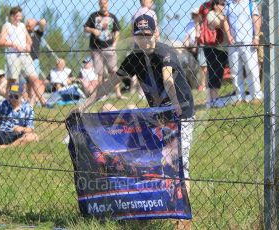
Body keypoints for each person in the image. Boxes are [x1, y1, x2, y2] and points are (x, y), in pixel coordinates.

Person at [77, 15, 194, 229]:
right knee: (156, 162)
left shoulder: (165, 52)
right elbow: (108, 84)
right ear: (134, 36)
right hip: (158, 116)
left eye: (148, 35)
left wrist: (175, 102)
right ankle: (153, 208)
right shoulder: (133, 58)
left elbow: (168, 79)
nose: (145, 40)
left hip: (181, 113)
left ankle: (182, 219)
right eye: (140, 36)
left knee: (179, 163)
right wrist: (84, 105)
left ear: (155, 33)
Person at [0, 6, 46, 106]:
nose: (19, 17)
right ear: (12, 16)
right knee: (13, 81)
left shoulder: (22, 26)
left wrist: (28, 45)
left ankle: (43, 102)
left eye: (20, 15)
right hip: (12, 55)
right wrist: (13, 44)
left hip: (24, 55)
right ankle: (12, 103)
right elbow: (1, 41)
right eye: (17, 15)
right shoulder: (7, 26)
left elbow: (29, 40)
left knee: (34, 78)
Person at [222, 0, 264, 104]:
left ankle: (256, 95)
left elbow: (256, 19)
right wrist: (229, 36)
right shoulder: (228, 4)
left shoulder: (250, 3)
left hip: (248, 41)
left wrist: (256, 36)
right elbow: (225, 20)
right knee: (235, 71)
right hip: (233, 43)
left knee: (251, 69)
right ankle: (240, 97)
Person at [0, 83, 38, 152]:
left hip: (16, 136)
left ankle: (5, 147)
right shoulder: (3, 104)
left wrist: (22, 128)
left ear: (21, 95)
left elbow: (30, 129)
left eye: (16, 96)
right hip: (0, 133)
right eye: (10, 96)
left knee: (33, 136)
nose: (12, 99)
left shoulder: (28, 108)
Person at [84, 0, 125, 99]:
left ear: (108, 4)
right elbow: (85, 28)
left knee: (114, 71)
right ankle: (101, 94)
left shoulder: (112, 17)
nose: (103, 5)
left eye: (105, 3)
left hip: (109, 47)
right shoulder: (93, 16)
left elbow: (117, 31)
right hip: (96, 48)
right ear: (99, 4)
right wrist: (92, 30)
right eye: (101, 3)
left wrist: (114, 44)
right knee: (100, 73)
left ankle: (118, 93)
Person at [198, 0, 228, 108]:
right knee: (213, 73)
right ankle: (212, 99)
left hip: (223, 48)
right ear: (215, 5)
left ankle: (213, 99)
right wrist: (225, 18)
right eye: (221, 4)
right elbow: (220, 24)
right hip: (212, 47)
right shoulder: (211, 14)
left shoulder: (225, 13)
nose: (223, 6)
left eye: (224, 4)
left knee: (219, 73)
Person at [184, 8, 208, 92]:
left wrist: (195, 46)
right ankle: (191, 84)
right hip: (191, 48)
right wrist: (186, 44)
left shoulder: (203, 24)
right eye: (194, 15)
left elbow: (199, 37)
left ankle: (202, 84)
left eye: (197, 14)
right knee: (187, 64)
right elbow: (186, 37)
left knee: (202, 65)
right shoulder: (190, 24)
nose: (195, 16)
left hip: (200, 46)